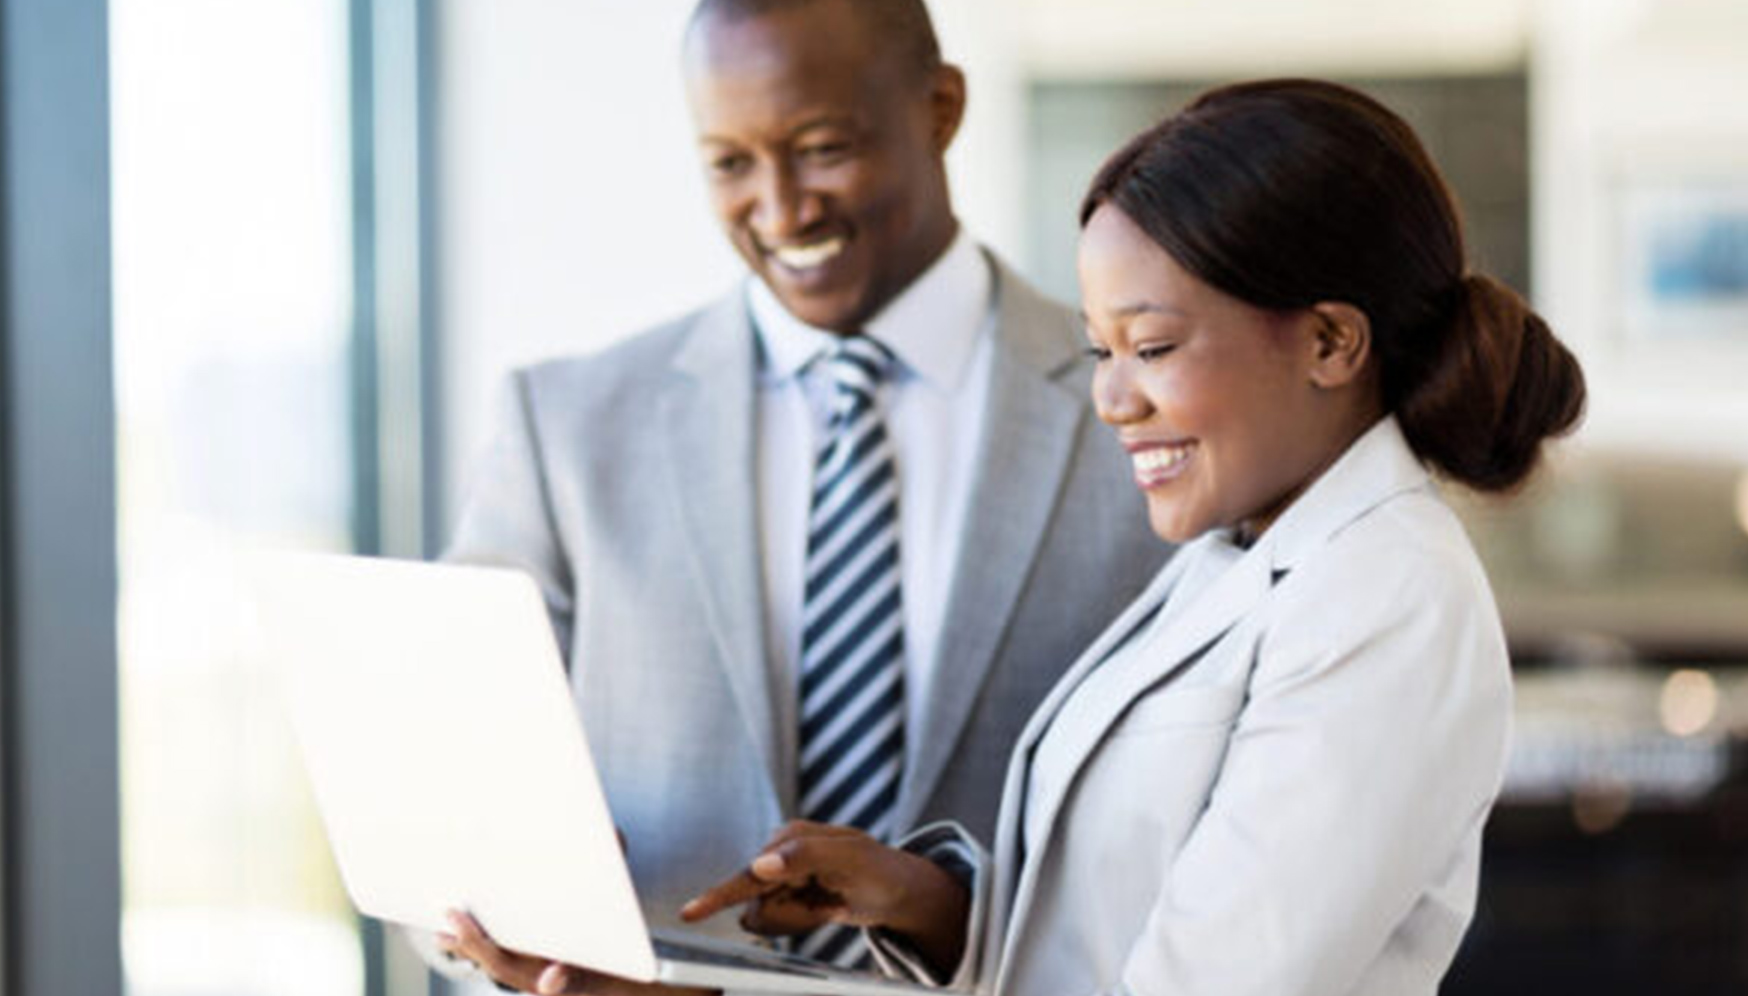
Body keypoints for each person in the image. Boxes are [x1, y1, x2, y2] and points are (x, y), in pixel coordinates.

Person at [681, 78, 1588, 996]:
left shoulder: (1385, 595)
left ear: (1329, 343)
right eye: (1099, 352)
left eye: (1151, 349)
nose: (1112, 401)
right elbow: (1108, 931)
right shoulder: (1238, 557)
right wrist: (926, 902)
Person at [431, 0, 1166, 991]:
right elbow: (442, 794)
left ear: (939, 108)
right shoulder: (563, 427)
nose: (780, 210)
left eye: (821, 148)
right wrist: (503, 898)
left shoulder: (1138, 411)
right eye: (729, 164)